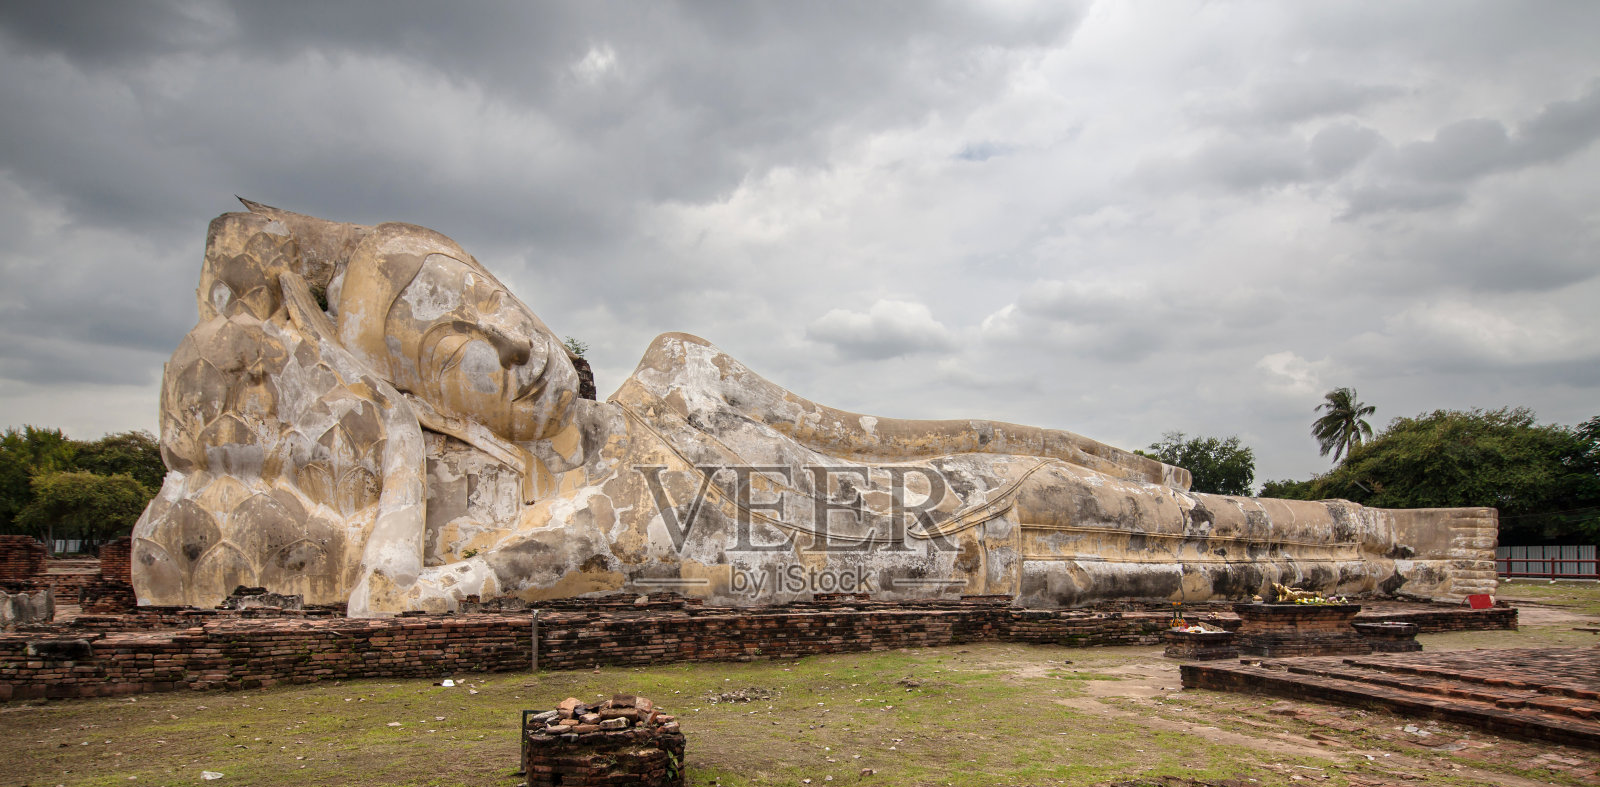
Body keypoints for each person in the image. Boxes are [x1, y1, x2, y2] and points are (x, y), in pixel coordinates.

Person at [133, 204, 1496, 614]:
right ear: (428, 399)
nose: (506, 340)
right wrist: (401, 469)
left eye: (481, 294)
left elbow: (880, 429)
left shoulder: (679, 371)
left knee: (1133, 496)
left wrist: (1062, 439)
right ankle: (1374, 558)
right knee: (1160, 549)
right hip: (951, 559)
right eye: (452, 349)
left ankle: (1382, 538)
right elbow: (387, 608)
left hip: (962, 496)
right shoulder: (566, 523)